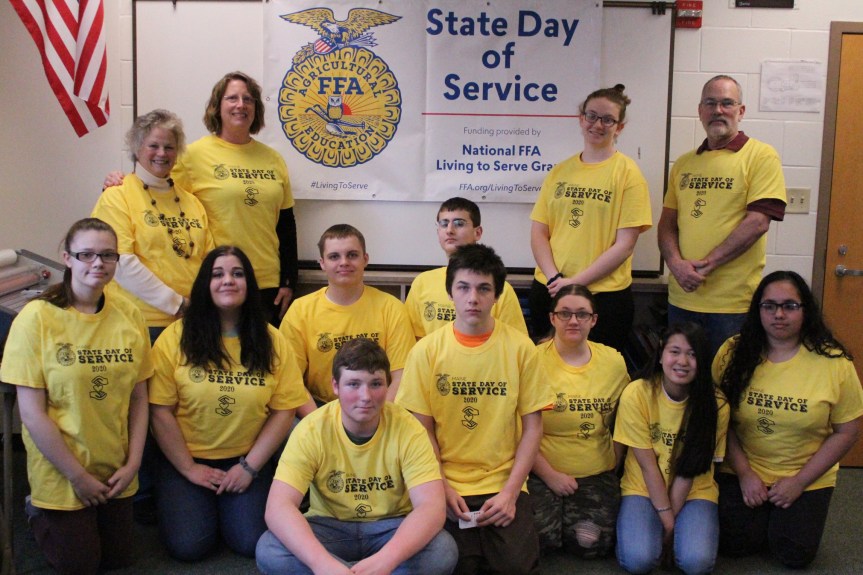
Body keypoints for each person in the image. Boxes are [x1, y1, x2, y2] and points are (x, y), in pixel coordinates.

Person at [0, 218, 152, 574]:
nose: (98, 263)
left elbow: (139, 398)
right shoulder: (36, 319)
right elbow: (32, 414)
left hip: (115, 464)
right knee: (81, 564)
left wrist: (133, 464)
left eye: (108, 255)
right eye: (87, 254)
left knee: (118, 560)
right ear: (67, 258)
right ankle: (37, 510)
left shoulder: (129, 314)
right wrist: (78, 477)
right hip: (62, 468)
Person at [396, 243, 553, 574]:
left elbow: (533, 428)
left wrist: (511, 492)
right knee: (453, 563)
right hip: (444, 481)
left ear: (497, 296)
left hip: (502, 481)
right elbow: (421, 429)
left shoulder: (521, 349)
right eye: (463, 287)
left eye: (484, 289)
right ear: (450, 292)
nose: (473, 298)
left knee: (516, 567)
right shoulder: (426, 352)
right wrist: (441, 485)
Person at [148, 245, 308, 561]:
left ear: (249, 283)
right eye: (217, 274)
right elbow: (160, 411)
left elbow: (284, 411)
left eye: (237, 274)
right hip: (185, 458)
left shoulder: (272, 340)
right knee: (190, 547)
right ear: (204, 284)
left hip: (246, 458)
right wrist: (189, 468)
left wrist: (249, 467)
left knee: (250, 542)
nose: (228, 281)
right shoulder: (175, 337)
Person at [255, 338, 458, 575]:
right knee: (270, 549)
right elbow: (278, 507)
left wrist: (387, 560)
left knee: (442, 550)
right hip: (330, 526)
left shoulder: (409, 429)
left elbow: (431, 507)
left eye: (376, 384)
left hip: (391, 527)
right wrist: (322, 564)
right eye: (353, 384)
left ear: (388, 385)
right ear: (335, 386)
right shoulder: (311, 429)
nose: (366, 396)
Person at [106, 71, 297, 322]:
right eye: (232, 98)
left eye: (248, 99)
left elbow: (286, 224)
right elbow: (153, 185)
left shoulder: (274, 159)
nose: (241, 105)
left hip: (267, 283)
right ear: (217, 106)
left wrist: (289, 279)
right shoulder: (191, 156)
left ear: (256, 108)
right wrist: (118, 182)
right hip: (219, 283)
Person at [713, 271, 863, 568]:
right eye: (769, 306)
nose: (779, 314)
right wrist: (744, 473)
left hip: (805, 474)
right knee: (734, 544)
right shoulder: (733, 351)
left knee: (793, 554)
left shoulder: (834, 362)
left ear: (805, 310)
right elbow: (719, 420)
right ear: (758, 310)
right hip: (744, 469)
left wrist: (799, 482)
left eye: (789, 306)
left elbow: (847, 431)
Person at [658, 75, 787, 357]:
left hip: (732, 306)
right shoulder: (684, 163)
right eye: (710, 103)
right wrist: (676, 265)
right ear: (700, 111)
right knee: (683, 378)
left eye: (727, 103)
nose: (718, 110)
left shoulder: (761, 156)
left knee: (727, 379)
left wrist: (707, 265)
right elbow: (667, 224)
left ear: (741, 111)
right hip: (682, 299)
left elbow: (758, 222)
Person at [530, 84, 652, 349]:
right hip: (549, 290)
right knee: (546, 368)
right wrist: (554, 279)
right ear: (581, 118)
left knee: (599, 370)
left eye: (608, 119)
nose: (598, 124)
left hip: (603, 297)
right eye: (592, 116)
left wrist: (575, 284)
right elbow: (539, 232)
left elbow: (625, 245)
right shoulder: (559, 171)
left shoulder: (628, 174)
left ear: (619, 127)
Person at [614, 323, 729, 575]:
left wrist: (669, 521)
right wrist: (668, 523)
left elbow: (691, 470)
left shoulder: (716, 403)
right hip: (643, 487)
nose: (682, 361)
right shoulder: (637, 393)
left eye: (692, 354)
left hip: (695, 491)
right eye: (674, 351)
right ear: (661, 353)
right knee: (638, 560)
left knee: (697, 563)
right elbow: (647, 466)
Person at [92, 108, 214, 341]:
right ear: (137, 148)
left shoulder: (192, 202)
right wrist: (177, 304)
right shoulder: (116, 196)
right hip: (137, 324)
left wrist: (202, 307)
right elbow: (120, 263)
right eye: (153, 146)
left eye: (169, 147)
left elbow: (209, 261)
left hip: (191, 323)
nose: (162, 153)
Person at [529, 284, 629, 558]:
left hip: (596, 473)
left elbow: (627, 417)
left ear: (593, 320)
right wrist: (550, 475)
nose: (573, 320)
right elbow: (516, 429)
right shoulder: (532, 360)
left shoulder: (613, 362)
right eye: (565, 313)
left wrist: (614, 461)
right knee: (541, 541)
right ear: (552, 318)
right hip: (541, 471)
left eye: (582, 314)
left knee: (589, 544)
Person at [280, 224, 415, 414]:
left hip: (378, 408)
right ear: (322, 263)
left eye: (352, 255)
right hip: (319, 409)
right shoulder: (300, 311)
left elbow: (401, 377)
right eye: (334, 256)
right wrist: (319, 422)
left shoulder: (391, 308)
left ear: (365, 259)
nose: (344, 262)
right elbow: (290, 380)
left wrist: (377, 419)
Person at [406, 196, 528, 339]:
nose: (450, 230)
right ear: (438, 231)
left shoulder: (500, 289)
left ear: (478, 232)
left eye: (459, 223)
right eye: (444, 224)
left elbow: (515, 343)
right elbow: (416, 340)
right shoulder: (422, 283)